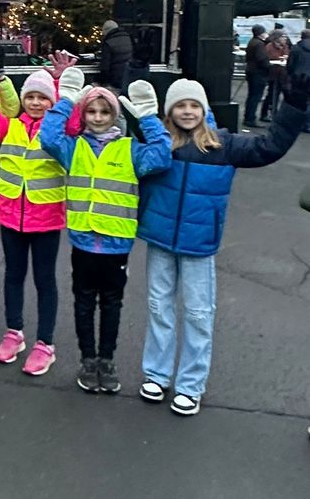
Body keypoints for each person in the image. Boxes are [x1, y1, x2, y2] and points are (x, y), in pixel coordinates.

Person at [137, 75, 306, 416]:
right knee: (158, 308)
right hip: (160, 238)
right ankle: (156, 374)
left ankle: (190, 385)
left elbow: (269, 147)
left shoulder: (223, 145)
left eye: (194, 105)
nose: (188, 111)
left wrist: (293, 106)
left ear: (204, 109)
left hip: (199, 244)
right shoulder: (159, 143)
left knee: (198, 314)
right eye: (180, 105)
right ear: (169, 111)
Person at [41, 69, 171, 394]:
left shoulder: (131, 149)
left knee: (112, 304)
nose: (98, 117)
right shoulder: (74, 148)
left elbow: (162, 154)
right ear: (83, 114)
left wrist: (148, 117)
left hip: (116, 244)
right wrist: (66, 100)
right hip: (83, 241)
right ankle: (88, 359)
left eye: (105, 112)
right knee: (84, 302)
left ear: (115, 116)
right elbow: (48, 137)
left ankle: (107, 360)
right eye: (91, 111)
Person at [0, 44, 66, 374]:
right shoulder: (10, 127)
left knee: (45, 281)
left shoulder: (57, 132)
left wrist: (60, 82)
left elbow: (72, 118)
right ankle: (14, 332)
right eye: (31, 97)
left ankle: (45, 343)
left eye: (43, 98)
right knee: (13, 276)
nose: (36, 103)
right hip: (12, 217)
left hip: (46, 220)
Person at [243, 24, 269, 128]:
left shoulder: (252, 42)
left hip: (251, 72)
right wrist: (268, 66)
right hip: (258, 73)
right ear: (260, 33)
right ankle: (250, 119)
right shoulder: (259, 44)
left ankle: (248, 117)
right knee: (255, 97)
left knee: (251, 96)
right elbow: (261, 59)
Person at [260, 29, 288, 122]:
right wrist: (280, 58)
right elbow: (268, 58)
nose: (285, 39)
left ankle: (276, 113)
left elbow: (287, 54)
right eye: (283, 37)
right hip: (273, 74)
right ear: (277, 38)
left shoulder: (285, 46)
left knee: (280, 95)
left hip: (283, 75)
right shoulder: (269, 47)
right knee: (271, 95)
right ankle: (265, 114)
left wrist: (286, 57)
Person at [97, 20, 132, 90]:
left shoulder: (108, 43)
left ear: (106, 31)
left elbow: (105, 66)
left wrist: (102, 82)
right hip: (130, 78)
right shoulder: (128, 38)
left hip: (115, 81)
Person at [286, 29, 310, 132]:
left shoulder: (296, 48)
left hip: (298, 78)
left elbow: (290, 65)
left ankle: (297, 122)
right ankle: (308, 124)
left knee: (298, 101)